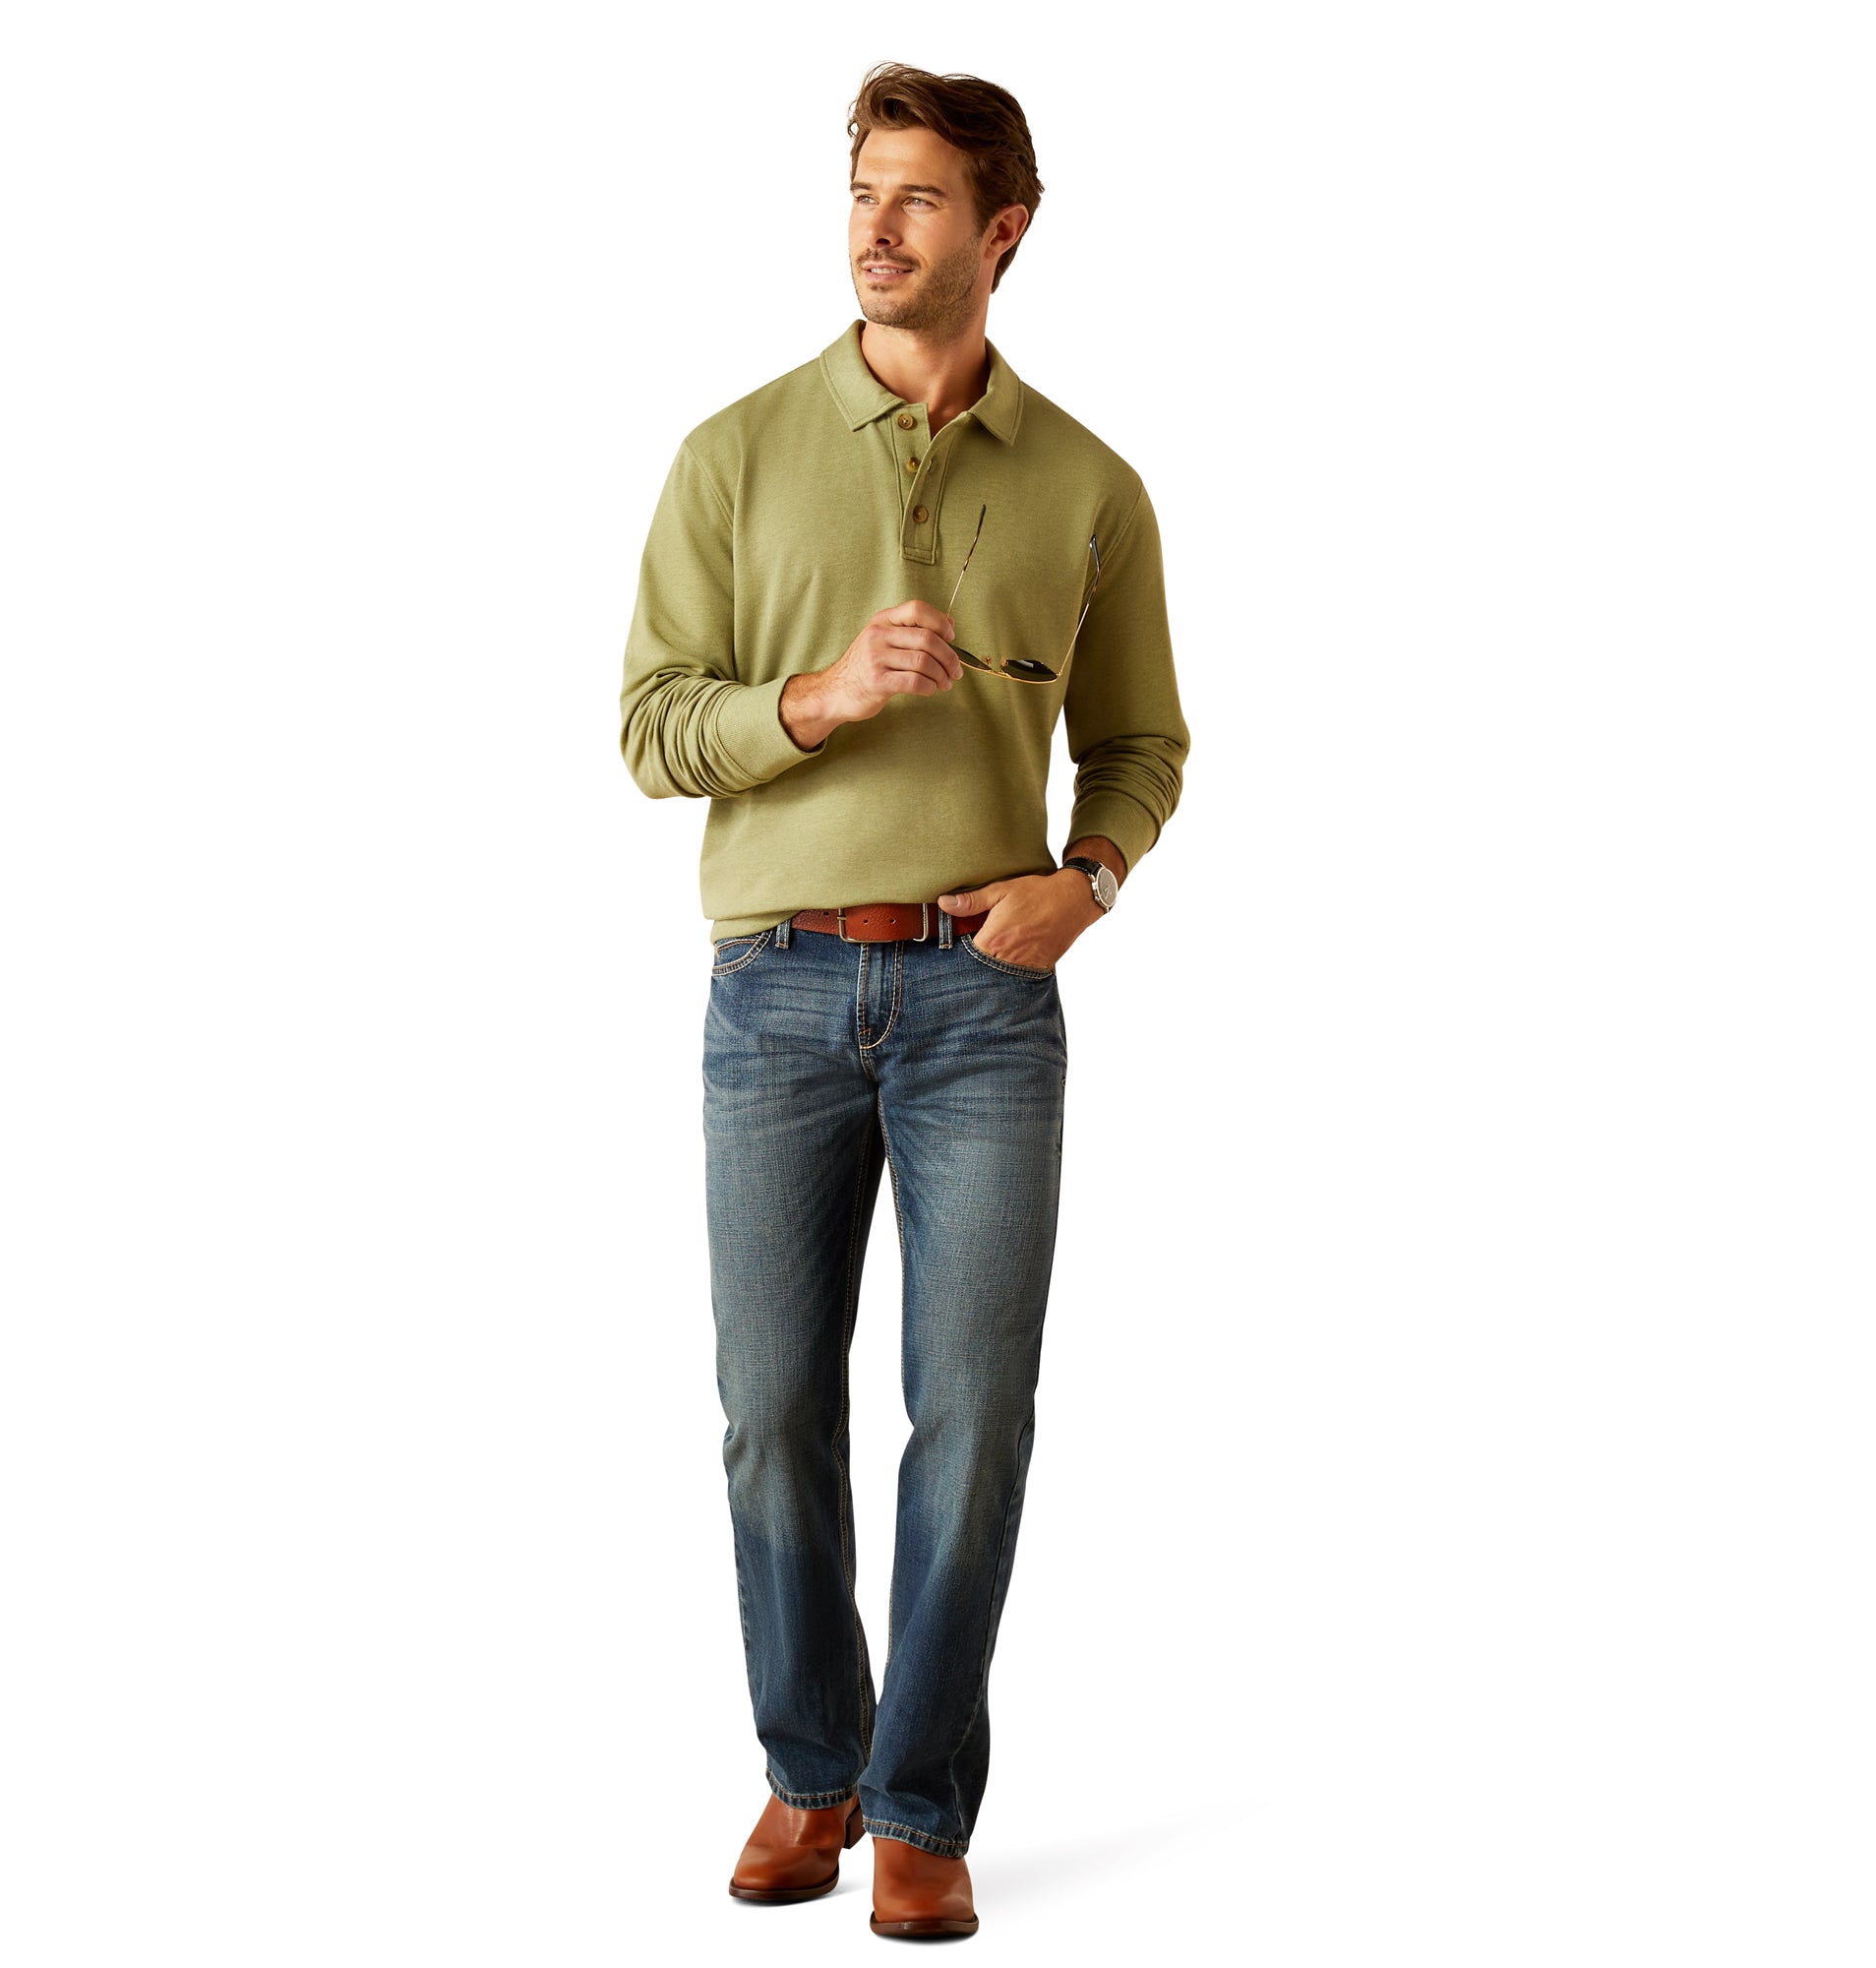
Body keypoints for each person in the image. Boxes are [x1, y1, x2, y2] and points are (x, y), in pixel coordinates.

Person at [618, 60, 1191, 1940]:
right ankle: (813, 1773)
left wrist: (1087, 881)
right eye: (863, 192)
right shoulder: (733, 455)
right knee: (770, 1409)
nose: (877, 228)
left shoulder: (1092, 488)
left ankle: (923, 1801)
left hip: (984, 1011)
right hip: (775, 996)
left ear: (1000, 231)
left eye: (919, 198)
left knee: (976, 1413)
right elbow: (651, 729)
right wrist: (819, 700)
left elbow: (1141, 743)